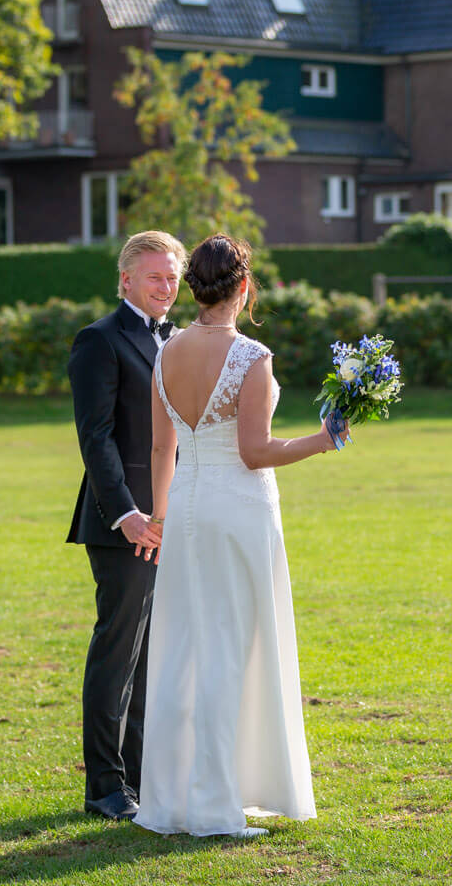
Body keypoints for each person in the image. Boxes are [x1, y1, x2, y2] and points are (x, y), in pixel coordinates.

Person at [135, 234, 349, 839]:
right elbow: (255, 451)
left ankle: (175, 800)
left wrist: (159, 516)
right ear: (245, 287)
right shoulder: (252, 356)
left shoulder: (165, 352)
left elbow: (162, 448)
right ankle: (213, 807)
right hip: (237, 510)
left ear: (195, 289)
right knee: (233, 648)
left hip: (186, 508)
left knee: (185, 649)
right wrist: (323, 441)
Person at [66, 230, 186, 821]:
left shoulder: (180, 340)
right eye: (155, 276)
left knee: (152, 654)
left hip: (175, 517)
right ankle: (105, 787)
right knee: (118, 652)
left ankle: (141, 777)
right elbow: (96, 438)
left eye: (172, 277)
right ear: (126, 280)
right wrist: (127, 515)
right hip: (124, 523)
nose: (166, 287)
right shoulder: (99, 340)